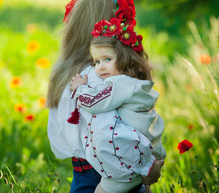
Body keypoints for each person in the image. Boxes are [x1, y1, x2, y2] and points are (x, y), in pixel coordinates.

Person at [47, 0, 163, 193]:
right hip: (114, 171)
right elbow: (116, 134)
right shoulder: (101, 78)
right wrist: (147, 168)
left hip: (81, 173)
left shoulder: (62, 74)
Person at [69, 33, 166, 193]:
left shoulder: (120, 83)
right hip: (148, 153)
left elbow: (95, 102)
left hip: (128, 160)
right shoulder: (137, 83)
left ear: (126, 58)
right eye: (97, 62)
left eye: (107, 59)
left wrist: (80, 88)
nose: (100, 66)